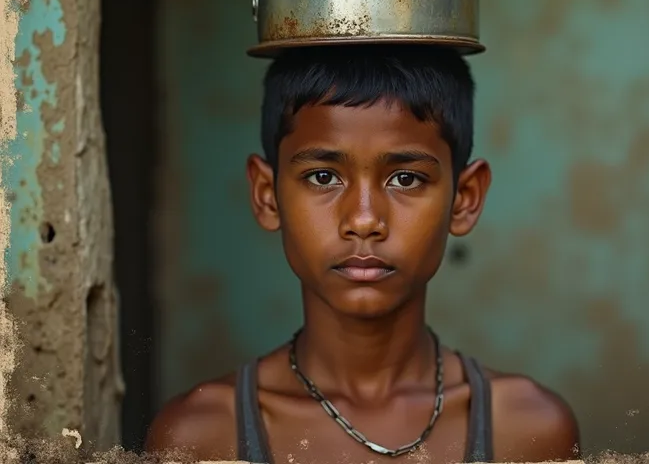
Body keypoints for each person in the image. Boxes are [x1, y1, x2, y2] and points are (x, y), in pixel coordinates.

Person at [145, 45, 581, 463]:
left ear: (464, 199)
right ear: (267, 195)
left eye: (406, 180)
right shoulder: (202, 437)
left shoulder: (527, 431)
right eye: (322, 176)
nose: (364, 219)